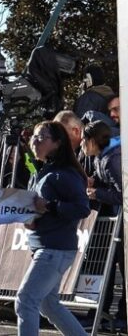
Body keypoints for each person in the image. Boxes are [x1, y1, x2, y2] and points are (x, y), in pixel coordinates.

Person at [14, 121, 90, 336]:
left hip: (54, 250)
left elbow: (82, 208)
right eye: (34, 137)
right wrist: (33, 218)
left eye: (41, 137)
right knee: (49, 305)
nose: (34, 141)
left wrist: (49, 206)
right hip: (48, 248)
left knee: (25, 301)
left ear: (57, 143)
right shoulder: (45, 171)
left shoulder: (64, 174)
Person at [81, 120, 125, 330]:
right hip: (114, 222)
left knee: (123, 270)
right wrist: (94, 183)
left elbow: (122, 193)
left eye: (83, 140)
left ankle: (122, 317)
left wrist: (97, 193)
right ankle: (102, 313)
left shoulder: (111, 159)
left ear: (92, 141)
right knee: (107, 268)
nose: (80, 145)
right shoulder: (101, 158)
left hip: (122, 222)